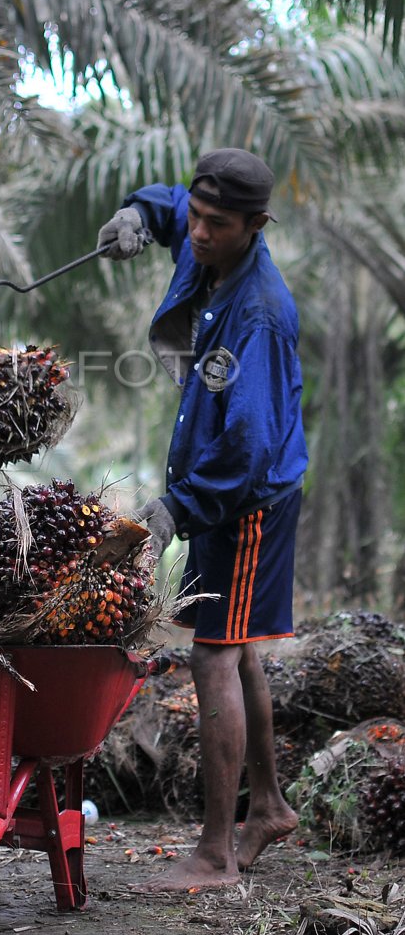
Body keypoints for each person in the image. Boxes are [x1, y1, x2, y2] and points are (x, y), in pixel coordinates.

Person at [97, 148, 307, 893]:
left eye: (216, 225)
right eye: (192, 218)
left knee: (213, 656)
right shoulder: (199, 237)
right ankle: (268, 808)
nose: (198, 234)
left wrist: (175, 510)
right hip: (225, 492)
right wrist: (135, 216)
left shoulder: (259, 314)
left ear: (256, 226)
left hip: (246, 504)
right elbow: (165, 201)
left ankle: (216, 855)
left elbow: (247, 449)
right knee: (237, 649)